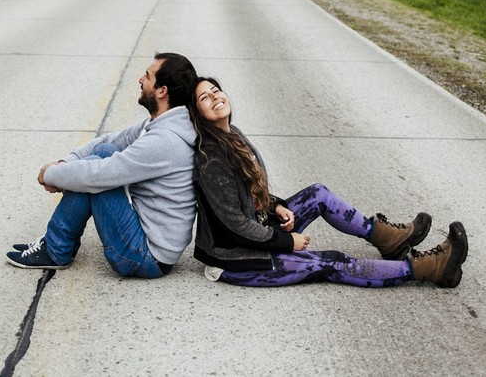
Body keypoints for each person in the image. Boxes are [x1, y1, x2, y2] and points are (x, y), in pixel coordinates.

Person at [187, 76, 468, 288]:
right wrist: (287, 241)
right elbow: (235, 224)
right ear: (198, 114)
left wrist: (277, 207)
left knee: (318, 194)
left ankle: (388, 239)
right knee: (332, 262)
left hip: (258, 230)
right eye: (204, 98)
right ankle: (429, 268)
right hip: (237, 259)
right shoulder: (210, 159)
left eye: (215, 90)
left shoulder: (231, 135)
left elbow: (247, 194)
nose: (214, 97)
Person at [6, 52, 197, 278]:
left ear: (162, 91)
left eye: (147, 76)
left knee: (95, 174)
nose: (140, 79)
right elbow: (109, 141)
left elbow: (99, 174)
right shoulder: (162, 123)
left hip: (145, 257)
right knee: (104, 152)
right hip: (149, 239)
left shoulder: (164, 142)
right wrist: (65, 162)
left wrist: (51, 175)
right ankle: (56, 244)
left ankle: (56, 249)